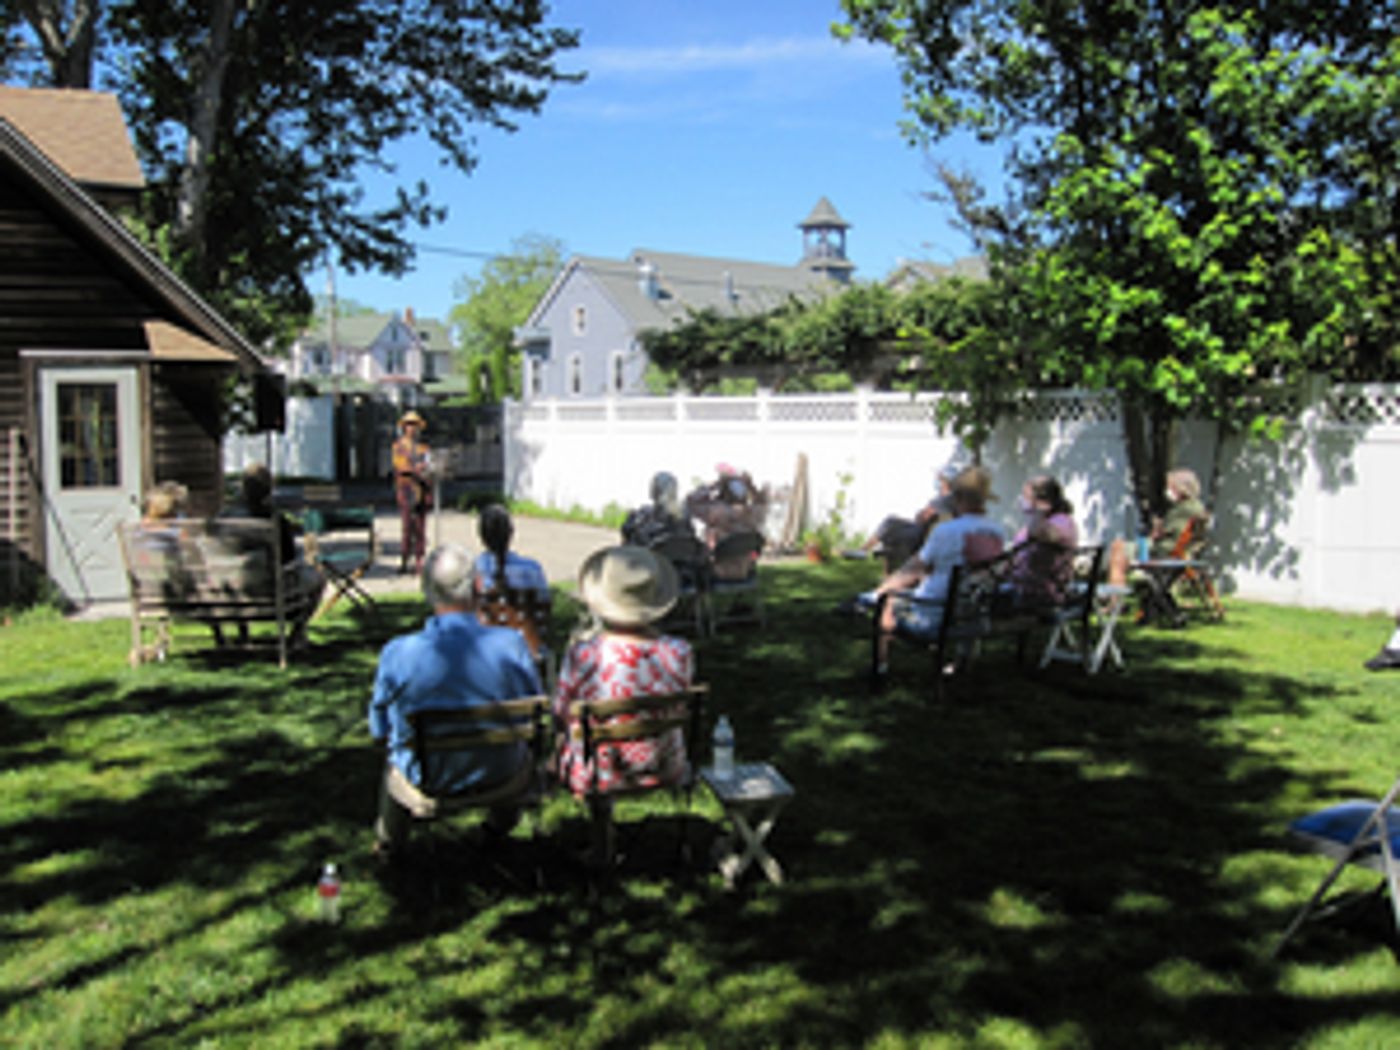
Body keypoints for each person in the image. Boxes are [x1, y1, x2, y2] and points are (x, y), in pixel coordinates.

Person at [368, 544, 543, 858]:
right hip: (504, 773)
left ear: (426, 590)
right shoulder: (511, 644)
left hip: (430, 778)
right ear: (478, 586)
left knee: (393, 761)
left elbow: (379, 730)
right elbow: (536, 705)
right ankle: (497, 828)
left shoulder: (398, 653)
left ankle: (390, 843)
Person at [553, 546, 694, 857]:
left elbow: (559, 711)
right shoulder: (679, 651)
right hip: (665, 763)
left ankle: (601, 839)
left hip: (599, 772)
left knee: (577, 734)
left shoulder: (584, 654)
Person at [865, 466, 1006, 675]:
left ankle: (881, 668)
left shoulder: (947, 531)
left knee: (888, 600)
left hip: (934, 616)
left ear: (957, 499)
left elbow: (911, 571)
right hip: (974, 615)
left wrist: (878, 592)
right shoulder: (998, 532)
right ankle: (961, 663)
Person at [847, 462, 961, 564]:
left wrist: (921, 513)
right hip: (924, 534)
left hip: (919, 536)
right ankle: (864, 551)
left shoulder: (943, 500)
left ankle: (863, 550)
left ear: (945, 481)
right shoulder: (950, 499)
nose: (937, 480)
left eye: (939, 478)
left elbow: (923, 517)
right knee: (891, 525)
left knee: (890, 522)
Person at [1009, 474, 1079, 605]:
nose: (1022, 501)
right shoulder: (1041, 522)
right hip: (1023, 585)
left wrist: (1038, 511)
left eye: (1026, 497)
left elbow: (1041, 534)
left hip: (1041, 593)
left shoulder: (1061, 522)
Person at [473, 504, 549, 599]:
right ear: (511, 532)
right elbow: (544, 606)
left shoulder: (471, 571)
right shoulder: (533, 570)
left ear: (481, 536)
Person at [392, 409, 432, 574]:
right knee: (407, 526)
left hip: (421, 489)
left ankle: (419, 560)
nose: (412, 428)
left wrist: (425, 469)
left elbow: (429, 465)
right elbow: (400, 466)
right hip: (406, 488)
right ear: (404, 427)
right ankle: (404, 558)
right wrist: (416, 468)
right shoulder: (398, 446)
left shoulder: (423, 448)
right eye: (409, 425)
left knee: (420, 527)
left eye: (414, 425)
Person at [621, 471, 697, 549]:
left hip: (651, 557)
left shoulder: (678, 518)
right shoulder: (644, 512)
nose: (651, 487)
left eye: (653, 484)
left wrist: (637, 530)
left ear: (658, 489)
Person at [1150, 467, 1207, 557]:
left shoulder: (1182, 509)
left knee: (1123, 549)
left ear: (1181, 488)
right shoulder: (1197, 506)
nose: (1167, 490)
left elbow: (1160, 533)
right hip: (1181, 552)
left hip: (1167, 551)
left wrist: (1156, 527)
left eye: (1171, 487)